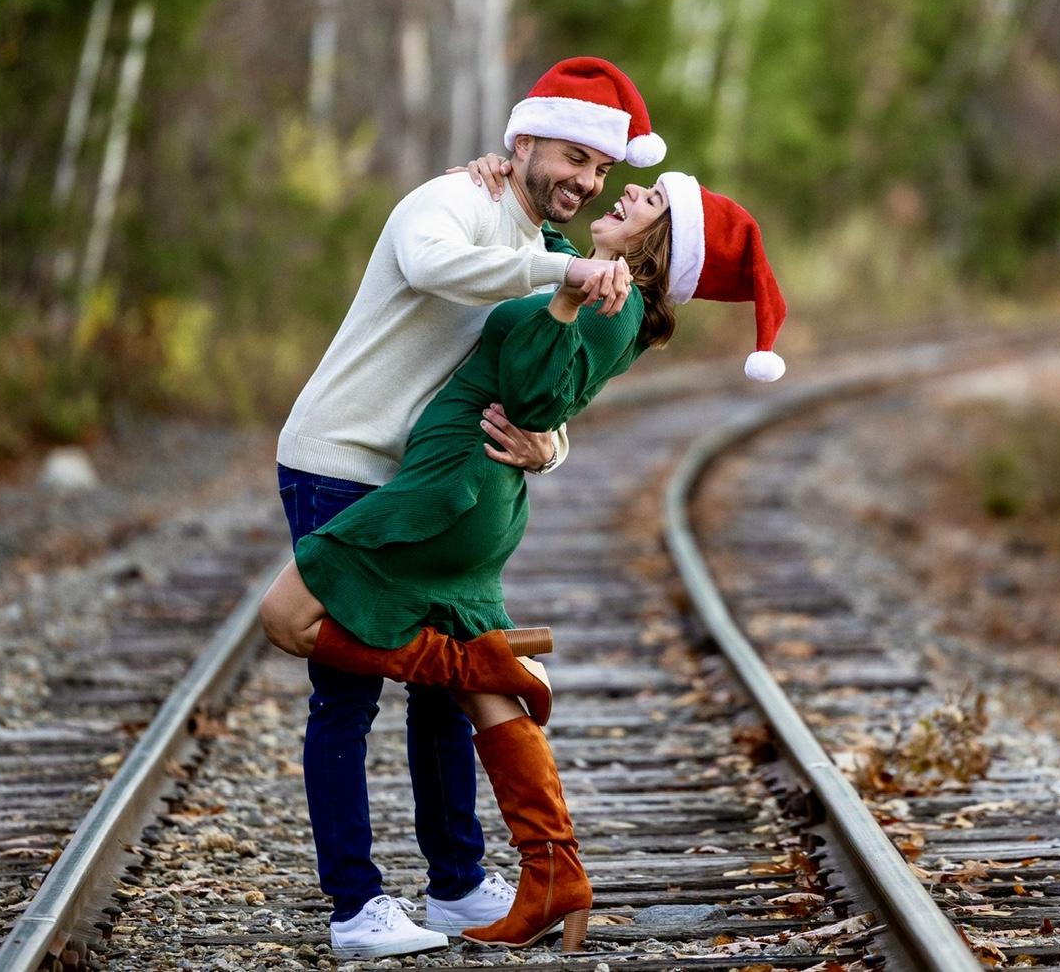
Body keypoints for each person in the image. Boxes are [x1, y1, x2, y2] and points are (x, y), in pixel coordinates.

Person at [260, 168, 788, 952]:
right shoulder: (589, 274)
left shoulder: (610, 301)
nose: (622, 190)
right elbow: (525, 248)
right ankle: (535, 872)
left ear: (659, 244)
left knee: (288, 620)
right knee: (465, 687)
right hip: (462, 490)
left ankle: (394, 885)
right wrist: (496, 169)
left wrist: (564, 329)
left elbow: (542, 399)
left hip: (446, 492)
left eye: (648, 200)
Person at [273, 57, 667, 959]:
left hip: (426, 480)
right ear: (521, 142)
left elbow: (537, 380)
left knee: (445, 694)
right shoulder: (450, 200)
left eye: (600, 169)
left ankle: (453, 884)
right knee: (346, 694)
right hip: (343, 459)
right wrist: (562, 269)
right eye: (573, 157)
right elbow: (435, 267)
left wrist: (549, 448)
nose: (586, 181)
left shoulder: (556, 252)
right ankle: (355, 907)